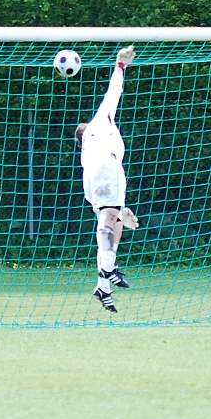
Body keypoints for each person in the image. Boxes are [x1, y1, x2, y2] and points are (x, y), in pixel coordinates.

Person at [74, 45, 139, 313]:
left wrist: (120, 210)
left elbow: (96, 200)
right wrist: (120, 64)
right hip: (107, 166)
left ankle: (103, 286)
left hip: (101, 173)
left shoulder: (86, 154)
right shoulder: (100, 121)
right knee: (109, 219)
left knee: (113, 222)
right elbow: (114, 92)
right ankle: (108, 269)